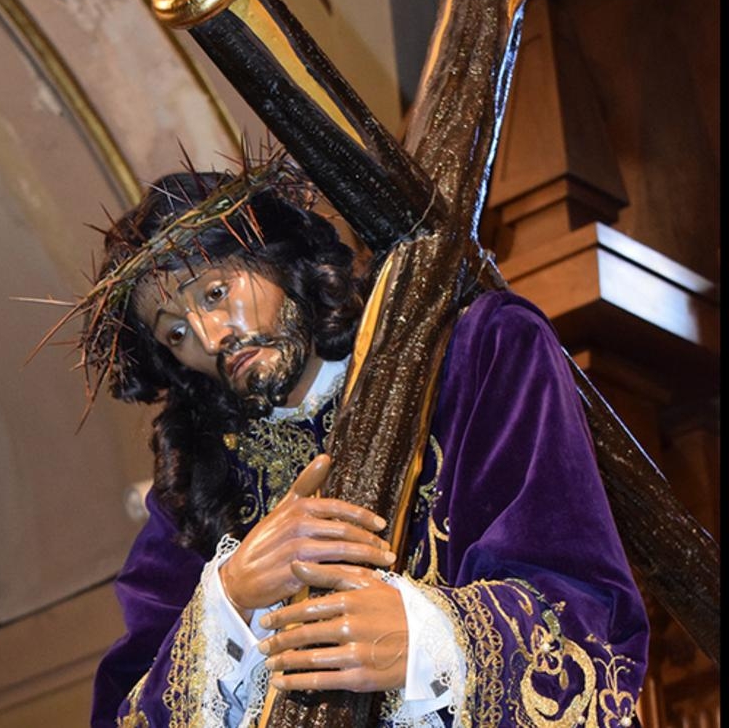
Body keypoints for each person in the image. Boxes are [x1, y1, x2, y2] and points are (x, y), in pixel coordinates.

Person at [78, 154, 649, 727]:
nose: (212, 335)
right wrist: (232, 598)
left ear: (272, 257)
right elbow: (123, 712)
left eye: (215, 292)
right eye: (175, 333)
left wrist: (427, 640)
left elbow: (590, 617)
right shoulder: (194, 492)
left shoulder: (475, 355)